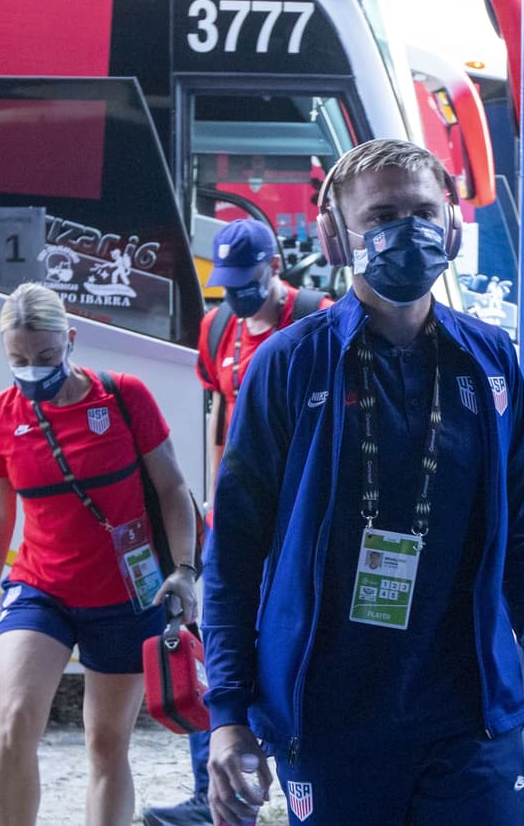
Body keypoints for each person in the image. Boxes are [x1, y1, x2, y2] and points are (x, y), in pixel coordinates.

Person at [200, 140, 524, 826]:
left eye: (421, 211)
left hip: (468, 717)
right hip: (329, 720)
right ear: (334, 235)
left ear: (448, 223)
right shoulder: (291, 365)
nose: (405, 229)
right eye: (381, 213)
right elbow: (233, 551)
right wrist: (227, 715)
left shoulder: (490, 362)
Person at [0, 282, 198, 826]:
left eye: (46, 356)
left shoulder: (123, 396)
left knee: (105, 742)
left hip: (126, 592)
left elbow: (172, 489)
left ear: (70, 340)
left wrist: (185, 572)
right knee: (16, 720)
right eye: (18, 360)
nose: (33, 369)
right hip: (40, 587)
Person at [143, 219, 330, 826]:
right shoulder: (217, 326)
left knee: (291, 648)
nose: (234, 296)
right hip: (237, 515)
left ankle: (310, 782)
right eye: (224, 284)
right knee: (216, 646)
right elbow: (221, 410)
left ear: (272, 266)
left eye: (244, 282)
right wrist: (212, 494)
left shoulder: (313, 319)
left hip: (299, 520)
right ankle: (215, 796)